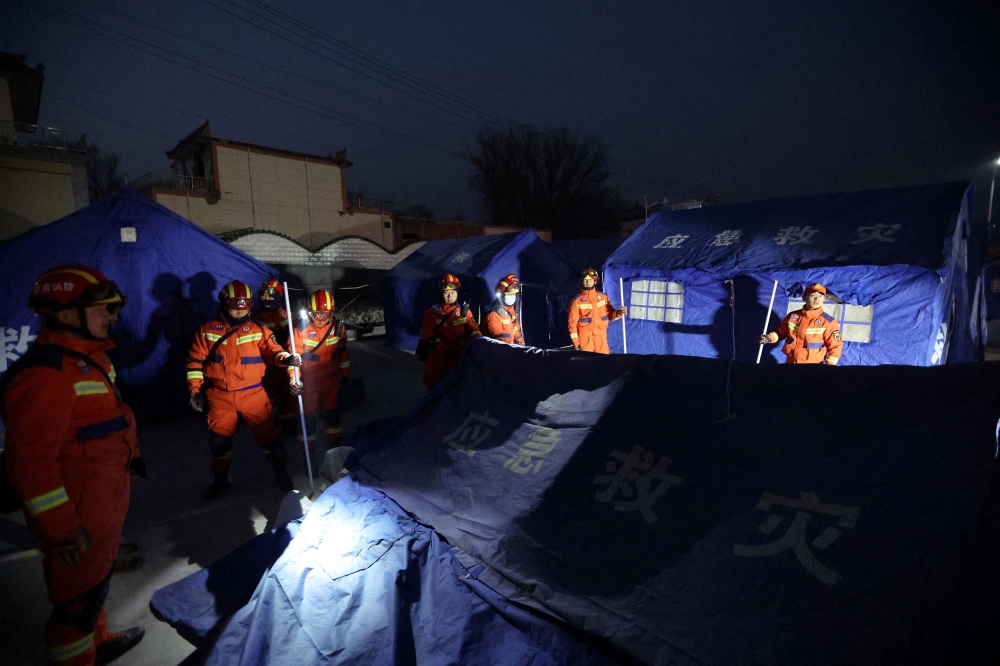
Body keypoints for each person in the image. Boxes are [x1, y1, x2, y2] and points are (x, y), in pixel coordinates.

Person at [0, 265, 145, 665]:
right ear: (64, 313)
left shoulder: (87, 359)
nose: (112, 317)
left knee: (94, 585)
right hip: (76, 517)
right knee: (74, 607)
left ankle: (98, 642)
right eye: (101, 309)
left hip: (100, 504)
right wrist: (62, 531)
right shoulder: (45, 376)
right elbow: (30, 465)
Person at [186, 280, 301, 500]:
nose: (240, 310)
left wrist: (286, 358)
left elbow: (272, 350)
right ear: (223, 302)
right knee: (219, 442)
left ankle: (282, 474)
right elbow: (194, 361)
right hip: (221, 396)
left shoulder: (258, 329)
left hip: (253, 394)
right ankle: (220, 481)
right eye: (235, 305)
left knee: (269, 439)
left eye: (245, 305)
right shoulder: (207, 331)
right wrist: (195, 390)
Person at [288, 290, 351, 451]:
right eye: (317, 314)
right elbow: (293, 358)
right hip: (308, 383)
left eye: (325, 314)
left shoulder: (337, 327)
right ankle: (308, 457)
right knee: (307, 422)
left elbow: (342, 353)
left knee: (333, 418)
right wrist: (293, 379)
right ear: (310, 311)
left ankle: (336, 451)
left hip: (330, 381)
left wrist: (345, 376)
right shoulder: (300, 330)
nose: (321, 319)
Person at [420, 274, 482, 389]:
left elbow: (473, 329)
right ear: (441, 293)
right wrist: (443, 348)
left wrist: (479, 340)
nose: (450, 296)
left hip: (459, 355)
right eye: (446, 292)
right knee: (435, 387)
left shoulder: (464, 312)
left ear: (457, 293)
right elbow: (428, 334)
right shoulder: (433, 312)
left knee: (459, 386)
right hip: (438, 356)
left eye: (453, 292)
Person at [759, 283, 843, 365]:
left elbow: (835, 346)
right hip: (791, 363)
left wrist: (830, 366)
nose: (817, 299)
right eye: (813, 295)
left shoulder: (828, 322)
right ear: (804, 297)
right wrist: (768, 338)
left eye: (820, 296)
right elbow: (780, 333)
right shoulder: (792, 316)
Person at [254, 278, 296, 435]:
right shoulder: (256, 318)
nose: (265, 298)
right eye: (263, 295)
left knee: (286, 395)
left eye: (269, 295)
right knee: (266, 396)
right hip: (266, 364)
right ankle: (265, 428)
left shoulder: (288, 316)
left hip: (285, 361)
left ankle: (289, 427)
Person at [567, 267, 627, 354]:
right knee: (586, 365)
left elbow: (611, 315)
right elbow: (572, 324)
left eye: (590, 280)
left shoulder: (603, 297)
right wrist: (576, 343)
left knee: (603, 364)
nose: (588, 282)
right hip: (585, 340)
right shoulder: (576, 300)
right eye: (585, 280)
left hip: (601, 338)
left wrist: (619, 313)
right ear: (581, 281)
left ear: (595, 281)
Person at [484, 273, 525, 345]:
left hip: (512, 349)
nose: (512, 296)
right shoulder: (494, 314)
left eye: (514, 294)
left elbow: (515, 327)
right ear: (502, 295)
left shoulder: (512, 310)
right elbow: (497, 342)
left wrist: (520, 340)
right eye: (509, 294)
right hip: (502, 352)